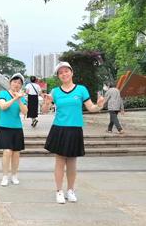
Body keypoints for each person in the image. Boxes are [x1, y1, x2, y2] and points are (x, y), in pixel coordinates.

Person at [42, 62, 104, 204]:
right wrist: (46, 103)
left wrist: (100, 105)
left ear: (72, 72)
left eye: (66, 71)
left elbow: (91, 108)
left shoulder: (81, 90)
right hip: (59, 128)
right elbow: (45, 111)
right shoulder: (55, 92)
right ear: (58, 76)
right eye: (60, 72)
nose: (64, 74)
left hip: (75, 128)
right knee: (59, 161)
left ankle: (70, 190)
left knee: (72, 162)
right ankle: (59, 191)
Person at [0, 73, 28, 186]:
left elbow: (25, 112)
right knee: (7, 151)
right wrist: (14, 98)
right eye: (14, 81)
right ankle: (5, 176)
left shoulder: (22, 98)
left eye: (19, 83)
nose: (16, 84)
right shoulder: (3, 93)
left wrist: (19, 100)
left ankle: (14, 175)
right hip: (4, 127)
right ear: (10, 82)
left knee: (16, 153)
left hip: (17, 128)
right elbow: (3, 106)